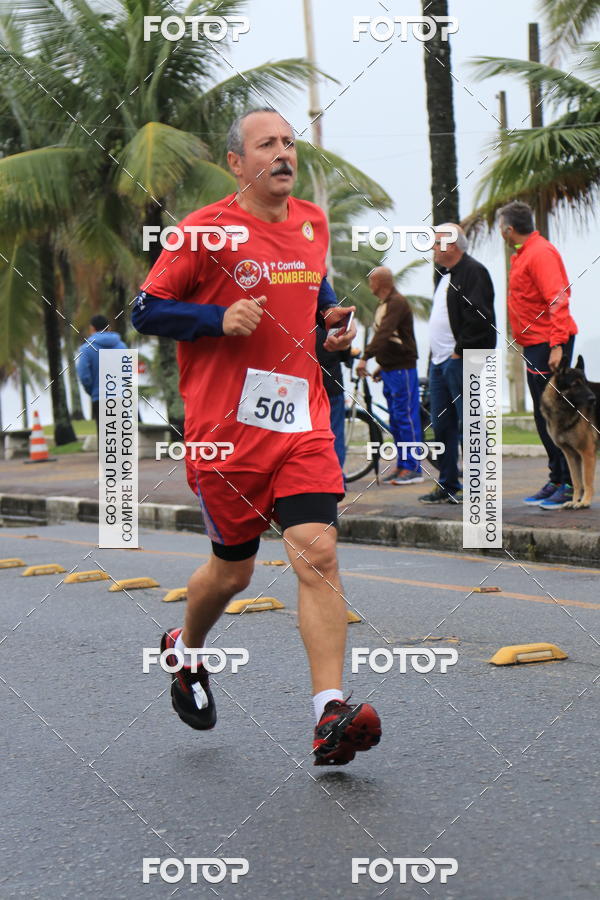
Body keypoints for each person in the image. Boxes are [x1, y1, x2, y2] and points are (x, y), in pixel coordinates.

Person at [132, 107, 381, 766]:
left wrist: (332, 322)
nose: (282, 153)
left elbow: (313, 285)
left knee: (316, 551)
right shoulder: (203, 232)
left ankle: (329, 712)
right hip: (226, 436)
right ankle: (185, 652)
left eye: (289, 142)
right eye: (266, 144)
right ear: (236, 164)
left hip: (301, 425)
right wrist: (216, 317)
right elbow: (145, 308)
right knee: (232, 572)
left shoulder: (311, 221)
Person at [500, 201, 578, 510]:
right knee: (542, 415)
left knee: (557, 415)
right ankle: (557, 478)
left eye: (501, 229)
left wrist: (557, 345)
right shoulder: (523, 253)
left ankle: (570, 483)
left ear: (509, 229)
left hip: (549, 342)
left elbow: (558, 299)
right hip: (535, 343)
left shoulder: (540, 253)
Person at [419, 225, 496, 504]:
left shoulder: (473, 271)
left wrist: (459, 351)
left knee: (471, 423)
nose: (432, 248)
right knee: (442, 426)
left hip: (462, 360)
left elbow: (480, 318)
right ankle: (448, 484)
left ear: (451, 245)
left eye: (436, 243)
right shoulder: (445, 276)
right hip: (440, 364)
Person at [356, 267, 423, 484]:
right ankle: (402, 465)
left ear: (380, 282)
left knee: (405, 417)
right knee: (395, 420)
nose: (369, 286)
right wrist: (381, 365)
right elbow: (387, 337)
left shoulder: (396, 302)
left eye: (371, 282)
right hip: (391, 369)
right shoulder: (384, 304)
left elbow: (385, 333)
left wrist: (366, 357)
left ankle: (413, 468)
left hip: (403, 368)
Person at [76, 314, 127, 434]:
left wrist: (92, 390)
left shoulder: (86, 349)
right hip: (120, 396)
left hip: (100, 397)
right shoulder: (122, 347)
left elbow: (84, 375)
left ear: (92, 328)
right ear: (108, 328)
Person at [315, 323, 351, 469]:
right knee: (335, 437)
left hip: (308, 390)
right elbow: (344, 353)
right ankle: (337, 480)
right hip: (332, 388)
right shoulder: (332, 319)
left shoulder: (300, 318)